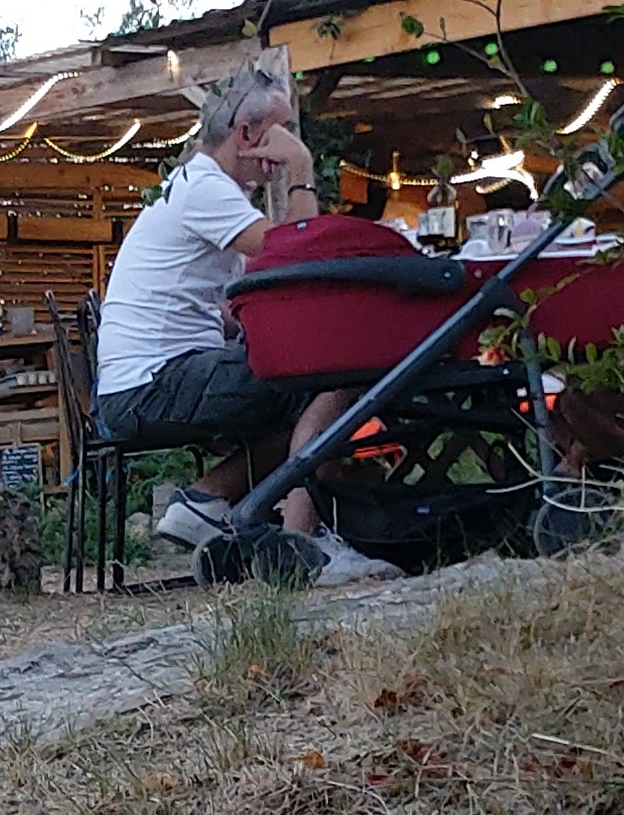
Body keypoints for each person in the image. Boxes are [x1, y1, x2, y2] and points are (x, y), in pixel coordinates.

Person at [93, 52, 400, 584]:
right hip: (153, 384)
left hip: (146, 382)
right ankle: (303, 546)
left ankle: (210, 503)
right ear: (247, 134)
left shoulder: (201, 188)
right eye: (282, 133)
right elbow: (298, 260)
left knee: (304, 398)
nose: (286, 147)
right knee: (328, 376)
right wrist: (302, 169)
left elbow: (248, 295)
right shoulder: (204, 186)